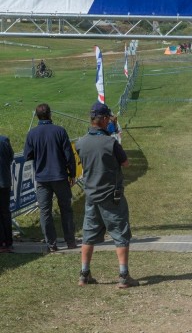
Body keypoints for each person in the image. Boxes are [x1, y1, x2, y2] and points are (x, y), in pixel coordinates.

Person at [75, 102, 138, 288]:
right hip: (112, 196)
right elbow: (125, 163)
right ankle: (124, 275)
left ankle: (84, 274)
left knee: (88, 234)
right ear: (103, 120)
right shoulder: (111, 143)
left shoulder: (80, 142)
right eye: (107, 118)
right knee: (121, 234)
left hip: (91, 196)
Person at [23, 103, 77, 252]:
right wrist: (72, 173)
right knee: (66, 209)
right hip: (59, 176)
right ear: (50, 114)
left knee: (45, 212)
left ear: (37, 116)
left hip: (42, 178)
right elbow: (68, 155)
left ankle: (51, 243)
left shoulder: (32, 134)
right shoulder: (60, 131)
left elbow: (27, 155)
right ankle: (70, 241)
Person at [0, 134, 14, 253]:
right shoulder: (4, 140)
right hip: (4, 181)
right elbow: (11, 157)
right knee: (5, 212)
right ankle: (8, 242)